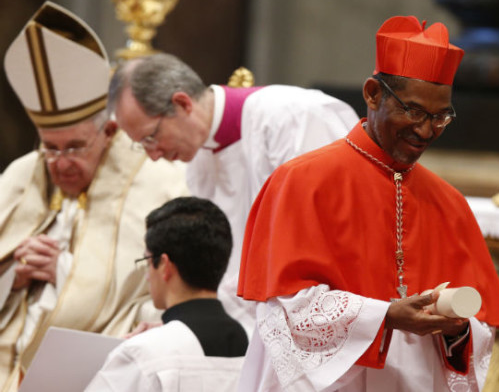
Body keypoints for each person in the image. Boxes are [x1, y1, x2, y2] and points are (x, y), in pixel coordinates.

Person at [236, 15, 499, 391]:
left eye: (440, 117)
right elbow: (286, 308)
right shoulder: (302, 181)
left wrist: (457, 327)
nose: (426, 130)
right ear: (372, 93)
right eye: (413, 111)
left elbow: (479, 326)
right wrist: (384, 316)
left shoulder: (449, 203)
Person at [0, 2, 188, 391]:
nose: (59, 163)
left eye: (74, 147)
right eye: (50, 148)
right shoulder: (23, 175)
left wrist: (67, 273)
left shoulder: (159, 184)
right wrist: (12, 278)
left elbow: (166, 299)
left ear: (109, 132)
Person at [108, 53, 359, 335]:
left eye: (150, 138)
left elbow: (317, 252)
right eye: (140, 145)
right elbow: (228, 275)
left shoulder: (293, 119)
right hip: (261, 328)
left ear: (182, 103)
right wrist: (189, 327)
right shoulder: (197, 163)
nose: (153, 156)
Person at [86, 197, 247, 391]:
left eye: (146, 261)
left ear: (164, 265)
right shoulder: (260, 346)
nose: (147, 276)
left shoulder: (142, 354)